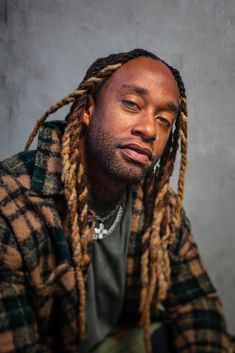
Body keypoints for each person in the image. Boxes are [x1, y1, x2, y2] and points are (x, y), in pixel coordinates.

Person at [0, 48, 232, 353]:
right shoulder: (11, 205)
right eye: (132, 104)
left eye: (164, 120)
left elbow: (195, 302)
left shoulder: (158, 206)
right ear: (88, 108)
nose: (149, 129)